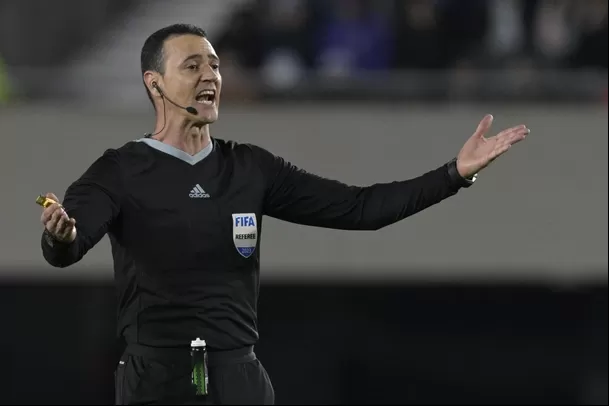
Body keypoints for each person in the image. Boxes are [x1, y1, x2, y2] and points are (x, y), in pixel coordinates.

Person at [39, 24, 529, 405]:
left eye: (214, 65)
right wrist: (61, 237)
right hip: (155, 380)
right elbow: (69, 243)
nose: (210, 76)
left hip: (239, 378)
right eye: (192, 66)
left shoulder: (250, 167)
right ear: (155, 83)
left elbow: (360, 208)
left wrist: (453, 173)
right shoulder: (121, 169)